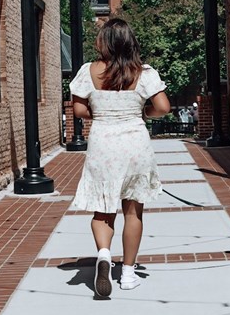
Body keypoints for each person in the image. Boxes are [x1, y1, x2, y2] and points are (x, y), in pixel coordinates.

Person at [69, 19, 171, 297]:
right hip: (135, 145)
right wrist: (143, 114)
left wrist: (102, 115)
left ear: (105, 42)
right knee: (133, 211)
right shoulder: (143, 72)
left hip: (103, 145)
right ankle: (127, 274)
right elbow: (163, 107)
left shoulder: (88, 71)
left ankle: (104, 254)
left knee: (102, 209)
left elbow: (78, 111)